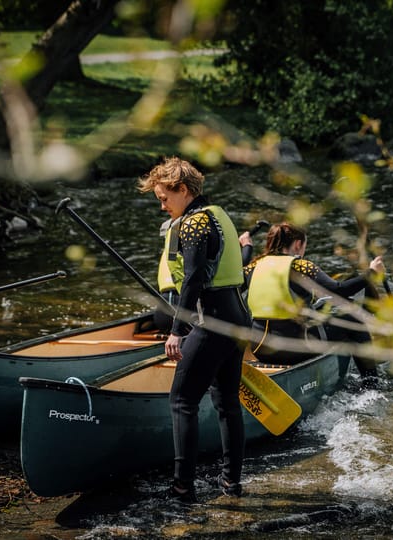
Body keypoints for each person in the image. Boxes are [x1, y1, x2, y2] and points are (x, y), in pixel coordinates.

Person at [137, 157, 251, 502]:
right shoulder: (218, 215)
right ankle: (232, 484)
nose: (161, 206)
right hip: (238, 317)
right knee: (227, 402)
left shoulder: (192, 224)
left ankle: (182, 488)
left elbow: (194, 278)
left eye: (163, 198)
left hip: (212, 320)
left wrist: (177, 329)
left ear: (183, 190)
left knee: (182, 401)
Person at [242, 222, 385, 375]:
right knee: (354, 320)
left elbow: (231, 290)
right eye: (304, 246)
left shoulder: (252, 267)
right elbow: (338, 290)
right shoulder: (300, 266)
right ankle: (371, 384)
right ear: (298, 244)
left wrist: (246, 248)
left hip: (260, 350)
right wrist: (372, 272)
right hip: (296, 349)